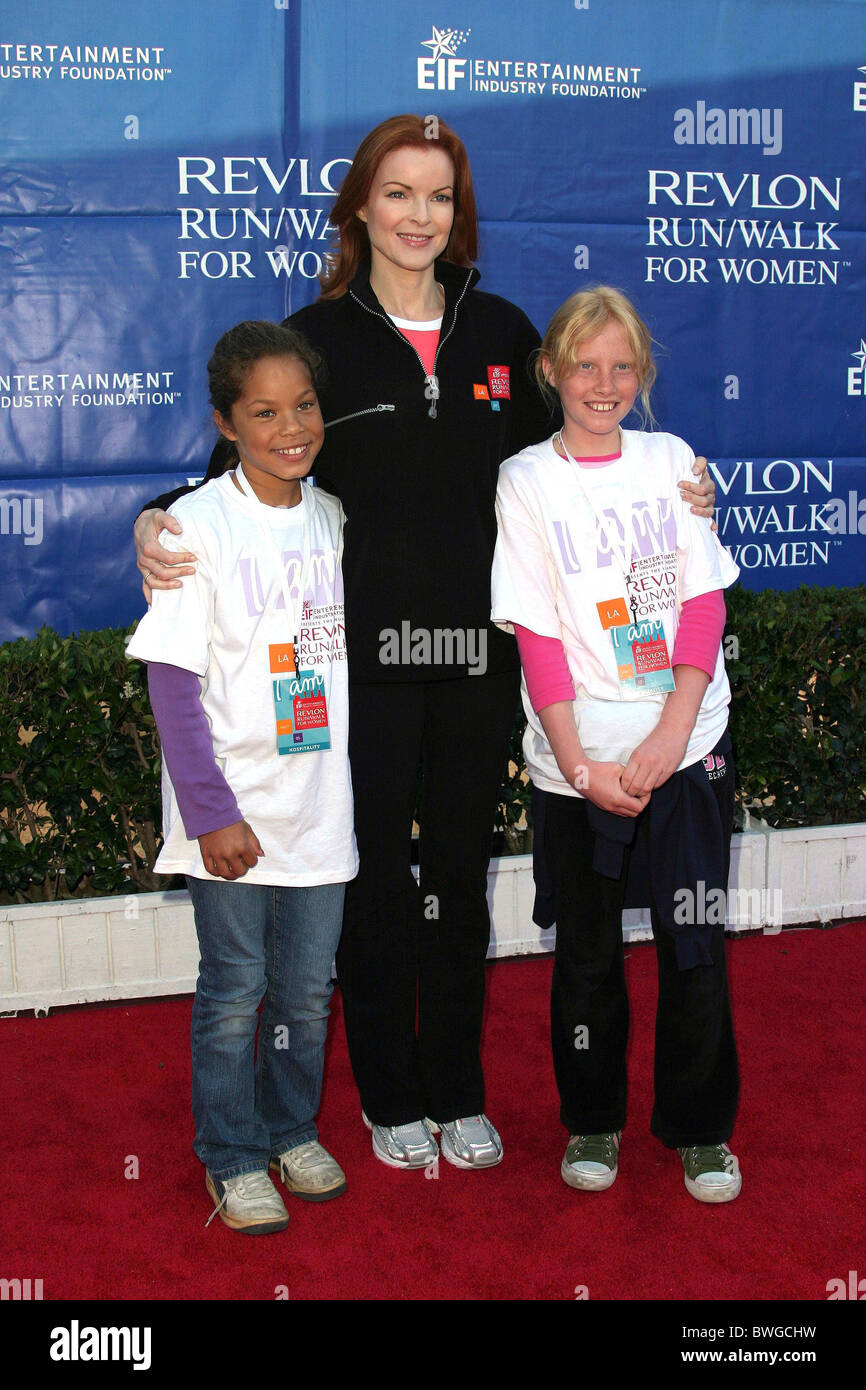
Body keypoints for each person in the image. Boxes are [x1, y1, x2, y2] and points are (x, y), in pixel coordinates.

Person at [134, 116, 716, 1173]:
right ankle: (387, 1097)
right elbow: (244, 466)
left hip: (475, 666)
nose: (417, 215)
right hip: (359, 674)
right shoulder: (317, 336)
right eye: (397, 194)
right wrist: (154, 516)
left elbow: (590, 433)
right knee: (370, 885)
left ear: (458, 214)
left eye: (438, 197)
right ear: (361, 206)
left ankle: (454, 1084)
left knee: (454, 874)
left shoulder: (499, 330)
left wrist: (685, 487)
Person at [491, 286, 742, 1203]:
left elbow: (702, 599)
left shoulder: (673, 460)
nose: (605, 384)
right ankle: (592, 1123)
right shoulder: (523, 480)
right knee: (587, 958)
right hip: (578, 765)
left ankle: (701, 1131)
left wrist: (674, 730)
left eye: (623, 366)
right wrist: (580, 766)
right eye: (586, 365)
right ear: (550, 370)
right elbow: (539, 636)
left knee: (696, 945)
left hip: (688, 748)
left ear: (643, 375)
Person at [127, 321, 357, 1232]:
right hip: (226, 815)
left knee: (306, 991)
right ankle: (230, 1152)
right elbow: (172, 683)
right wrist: (212, 812)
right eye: (264, 411)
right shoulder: (195, 528)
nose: (290, 426)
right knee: (235, 990)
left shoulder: (336, 517)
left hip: (318, 809)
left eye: (303, 405)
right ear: (226, 422)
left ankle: (290, 1129)